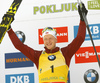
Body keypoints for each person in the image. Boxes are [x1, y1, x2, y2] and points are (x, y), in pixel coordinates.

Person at [6, 3, 88, 83]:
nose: (48, 41)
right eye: (45, 39)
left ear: (56, 39)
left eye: (50, 38)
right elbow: (19, 46)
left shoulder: (65, 53)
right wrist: (9, 29)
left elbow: (80, 39)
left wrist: (82, 20)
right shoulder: (37, 56)